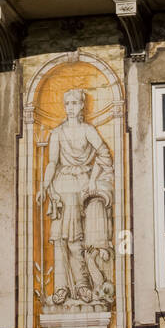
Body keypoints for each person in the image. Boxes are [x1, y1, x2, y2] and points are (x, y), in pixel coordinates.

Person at [37, 87, 113, 306]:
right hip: (61, 184)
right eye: (67, 103)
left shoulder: (88, 130)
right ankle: (61, 287)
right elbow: (52, 162)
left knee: (75, 239)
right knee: (60, 239)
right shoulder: (57, 133)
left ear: (81, 105)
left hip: (81, 184)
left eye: (74, 103)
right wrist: (44, 185)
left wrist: (92, 180)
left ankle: (82, 284)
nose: (69, 108)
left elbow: (104, 156)